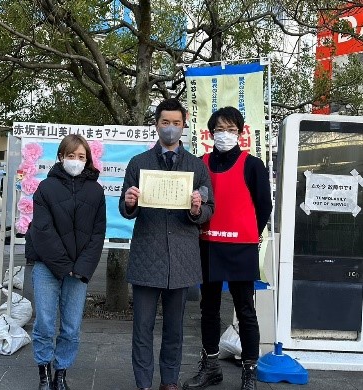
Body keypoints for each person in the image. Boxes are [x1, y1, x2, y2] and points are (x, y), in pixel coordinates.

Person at [119, 98, 214, 390]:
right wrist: (130, 202)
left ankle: (169, 382)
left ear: (183, 126)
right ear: (156, 124)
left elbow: (210, 209)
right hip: (147, 254)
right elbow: (126, 209)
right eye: (165, 122)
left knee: (175, 328)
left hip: (182, 258)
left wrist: (197, 208)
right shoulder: (139, 163)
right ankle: (144, 383)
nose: (170, 129)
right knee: (142, 328)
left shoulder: (196, 167)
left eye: (176, 123)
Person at [183, 107, 272, 390]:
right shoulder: (200, 163)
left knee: (245, 309)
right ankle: (210, 367)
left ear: (240, 132)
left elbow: (264, 206)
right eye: (220, 129)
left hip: (241, 247)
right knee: (208, 308)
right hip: (208, 244)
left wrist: (249, 235)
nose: (225, 134)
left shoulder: (253, 165)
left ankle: (249, 370)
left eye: (231, 129)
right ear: (210, 133)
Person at [25, 134, 106, 390]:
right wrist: (63, 265)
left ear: (88, 160)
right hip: (47, 266)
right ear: (61, 157)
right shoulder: (45, 188)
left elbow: (97, 234)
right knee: (45, 324)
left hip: (78, 271)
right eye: (71, 156)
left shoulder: (96, 191)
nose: (76, 161)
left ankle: (61, 374)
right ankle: (43, 373)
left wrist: (80, 268)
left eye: (81, 157)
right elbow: (42, 230)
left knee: (71, 328)